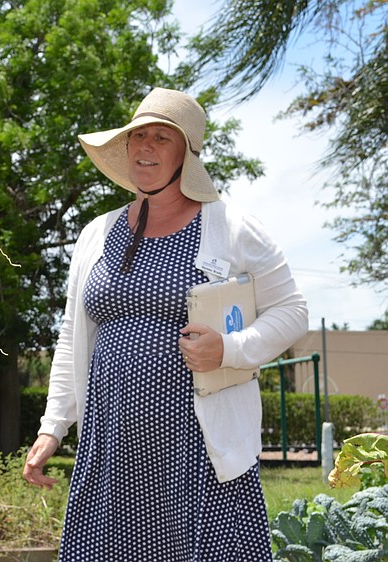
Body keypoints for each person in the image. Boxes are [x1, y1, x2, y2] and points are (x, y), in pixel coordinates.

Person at [23, 88, 308, 561]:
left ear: (186, 155)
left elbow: (292, 310)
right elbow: (73, 336)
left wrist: (230, 349)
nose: (145, 147)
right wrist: (52, 427)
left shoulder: (232, 226)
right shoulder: (98, 232)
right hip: (111, 444)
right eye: (138, 136)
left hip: (199, 448)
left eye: (161, 137)